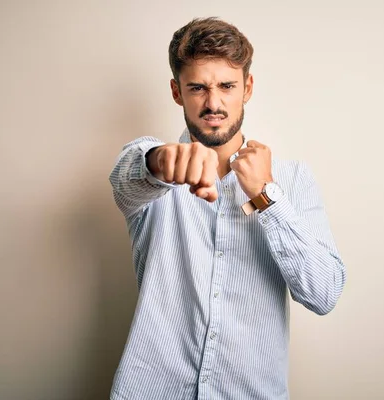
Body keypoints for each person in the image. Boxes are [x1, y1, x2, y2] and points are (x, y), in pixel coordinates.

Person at [109, 17, 346, 400]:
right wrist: (159, 161)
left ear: (247, 88)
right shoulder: (154, 168)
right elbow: (127, 176)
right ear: (176, 91)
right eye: (198, 87)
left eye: (227, 86)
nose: (213, 103)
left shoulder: (293, 181)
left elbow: (324, 294)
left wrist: (267, 197)